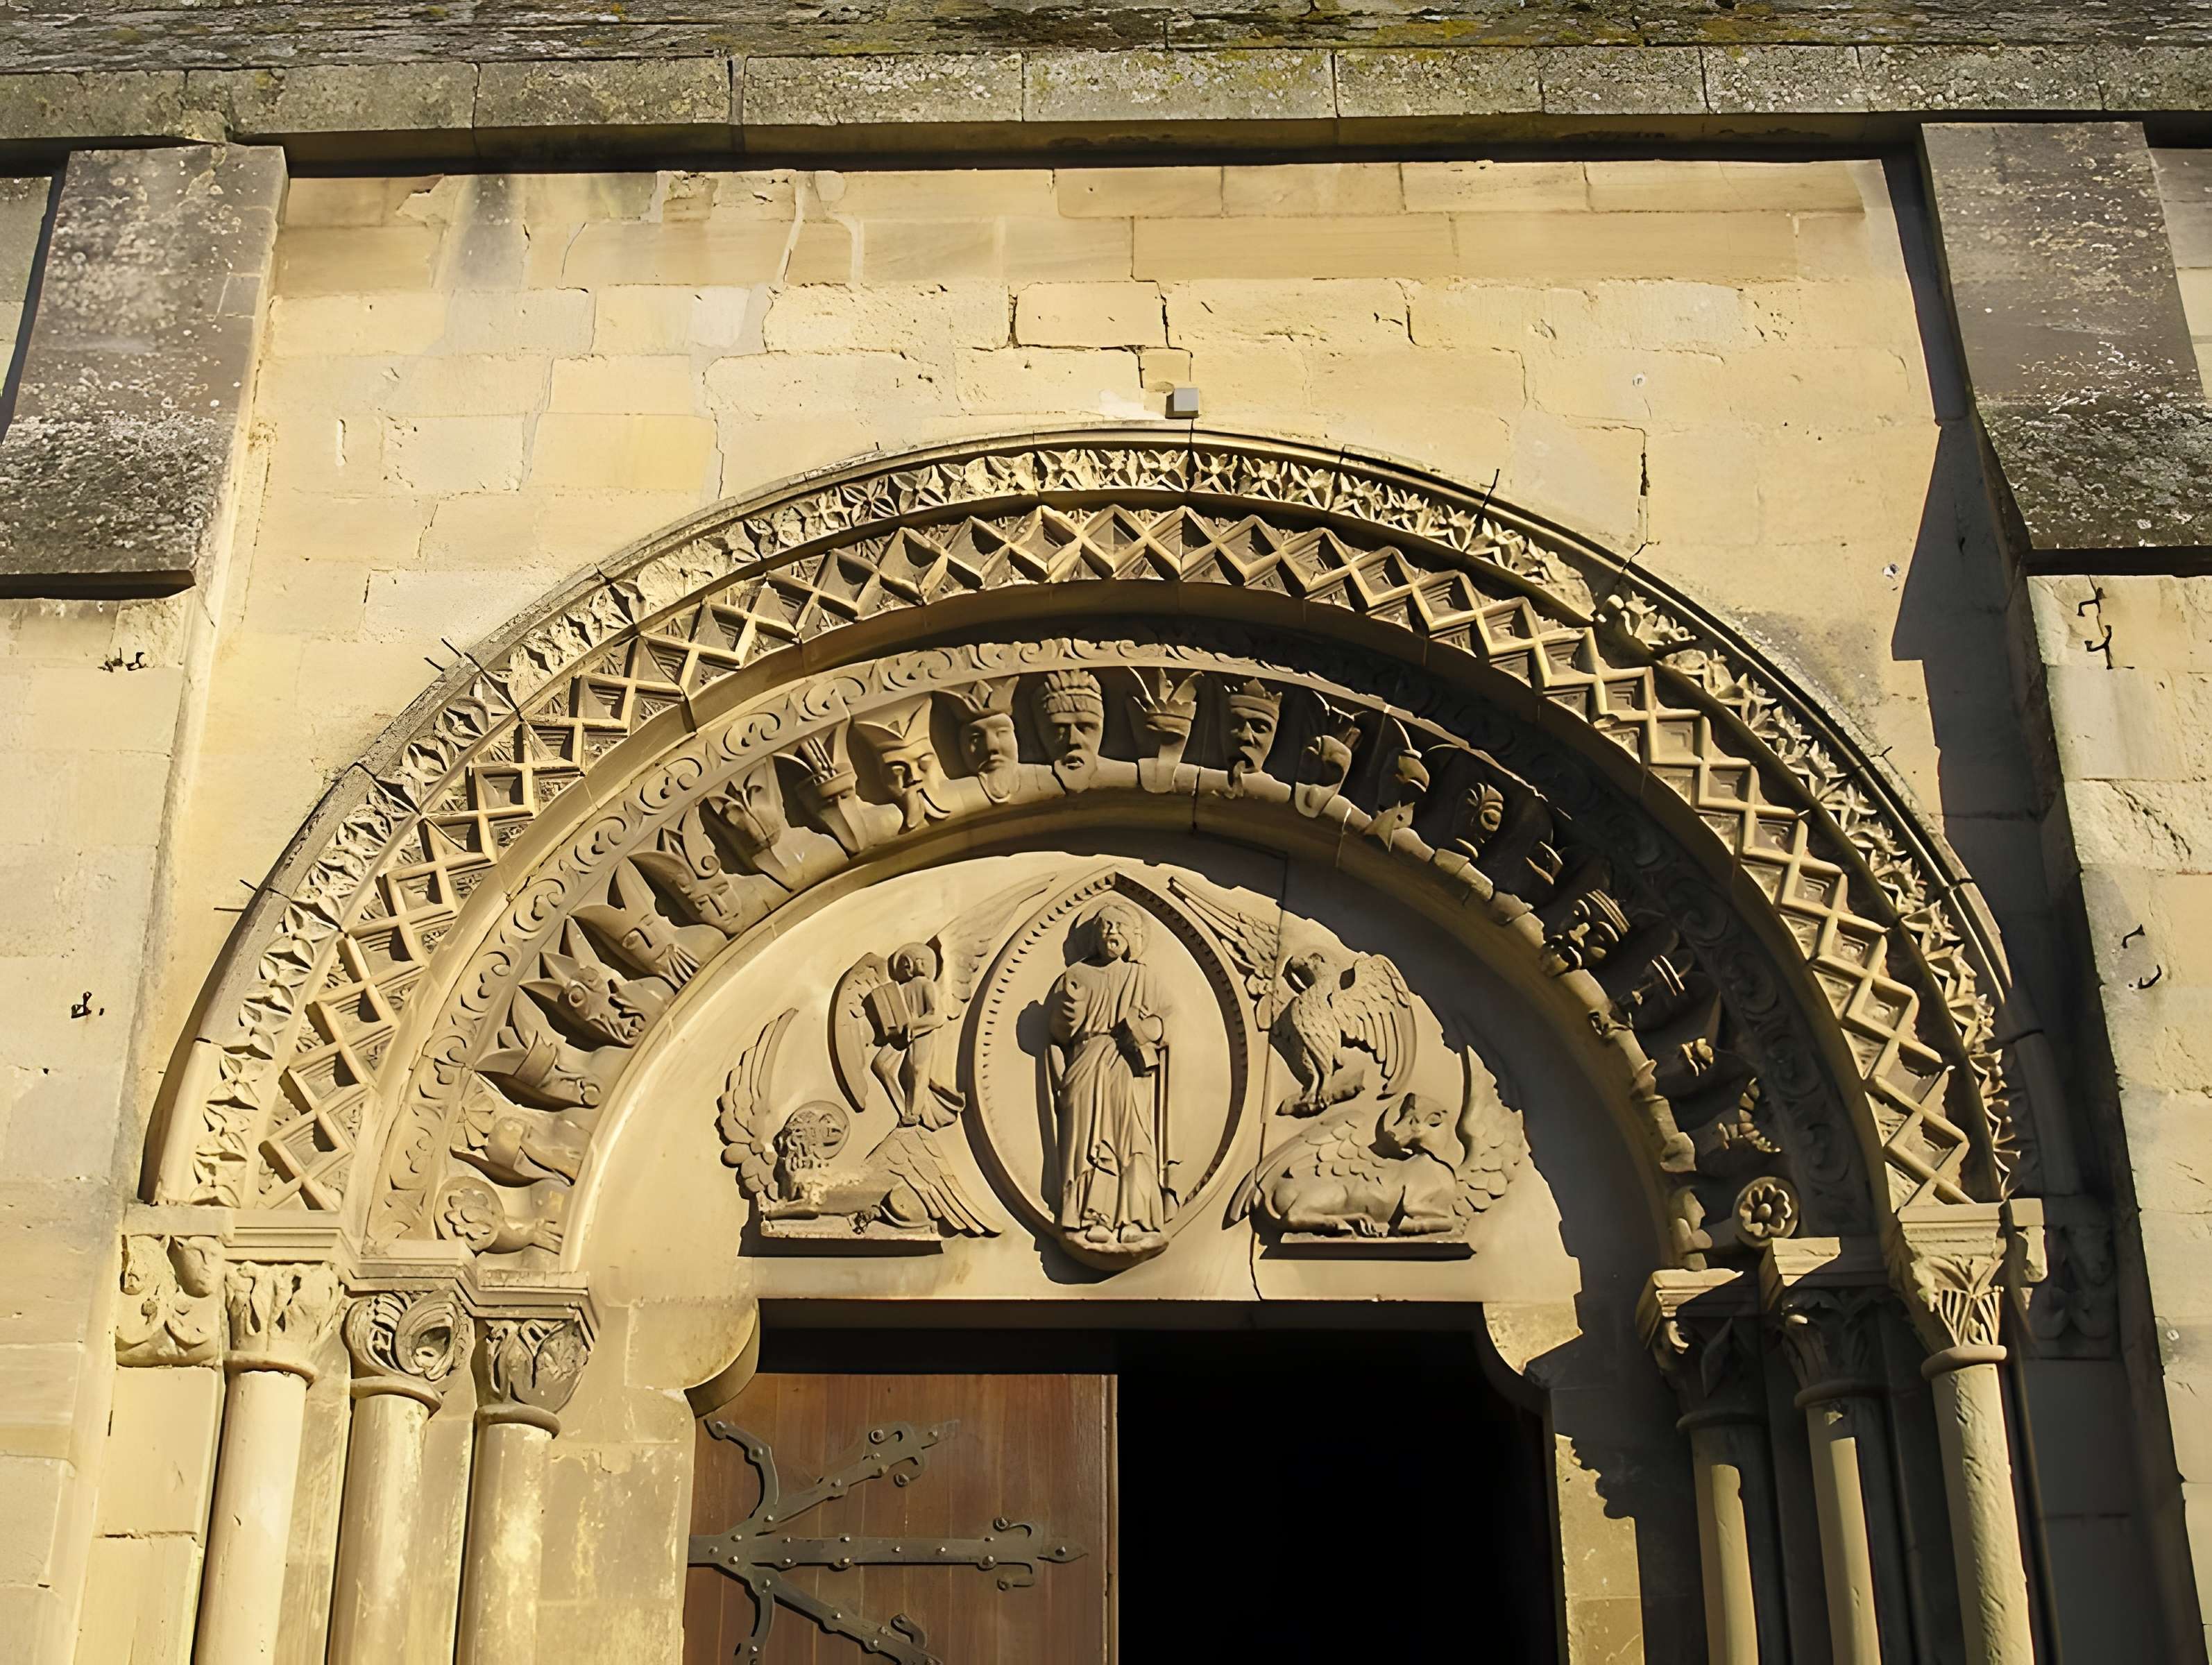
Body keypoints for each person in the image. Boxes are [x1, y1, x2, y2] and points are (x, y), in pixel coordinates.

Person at [1046, 900, 1168, 1249]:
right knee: (1087, 1141)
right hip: (1087, 1063)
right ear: (1094, 937)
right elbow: (1060, 1031)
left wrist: (1145, 1030)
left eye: (1119, 927)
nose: (1112, 932)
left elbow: (1164, 1024)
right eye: (1105, 926)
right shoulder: (1076, 976)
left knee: (1132, 1139)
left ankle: (1135, 1218)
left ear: (1132, 937)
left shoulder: (1141, 976)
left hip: (1128, 1068)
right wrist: (1068, 1012)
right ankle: (1090, 1216)